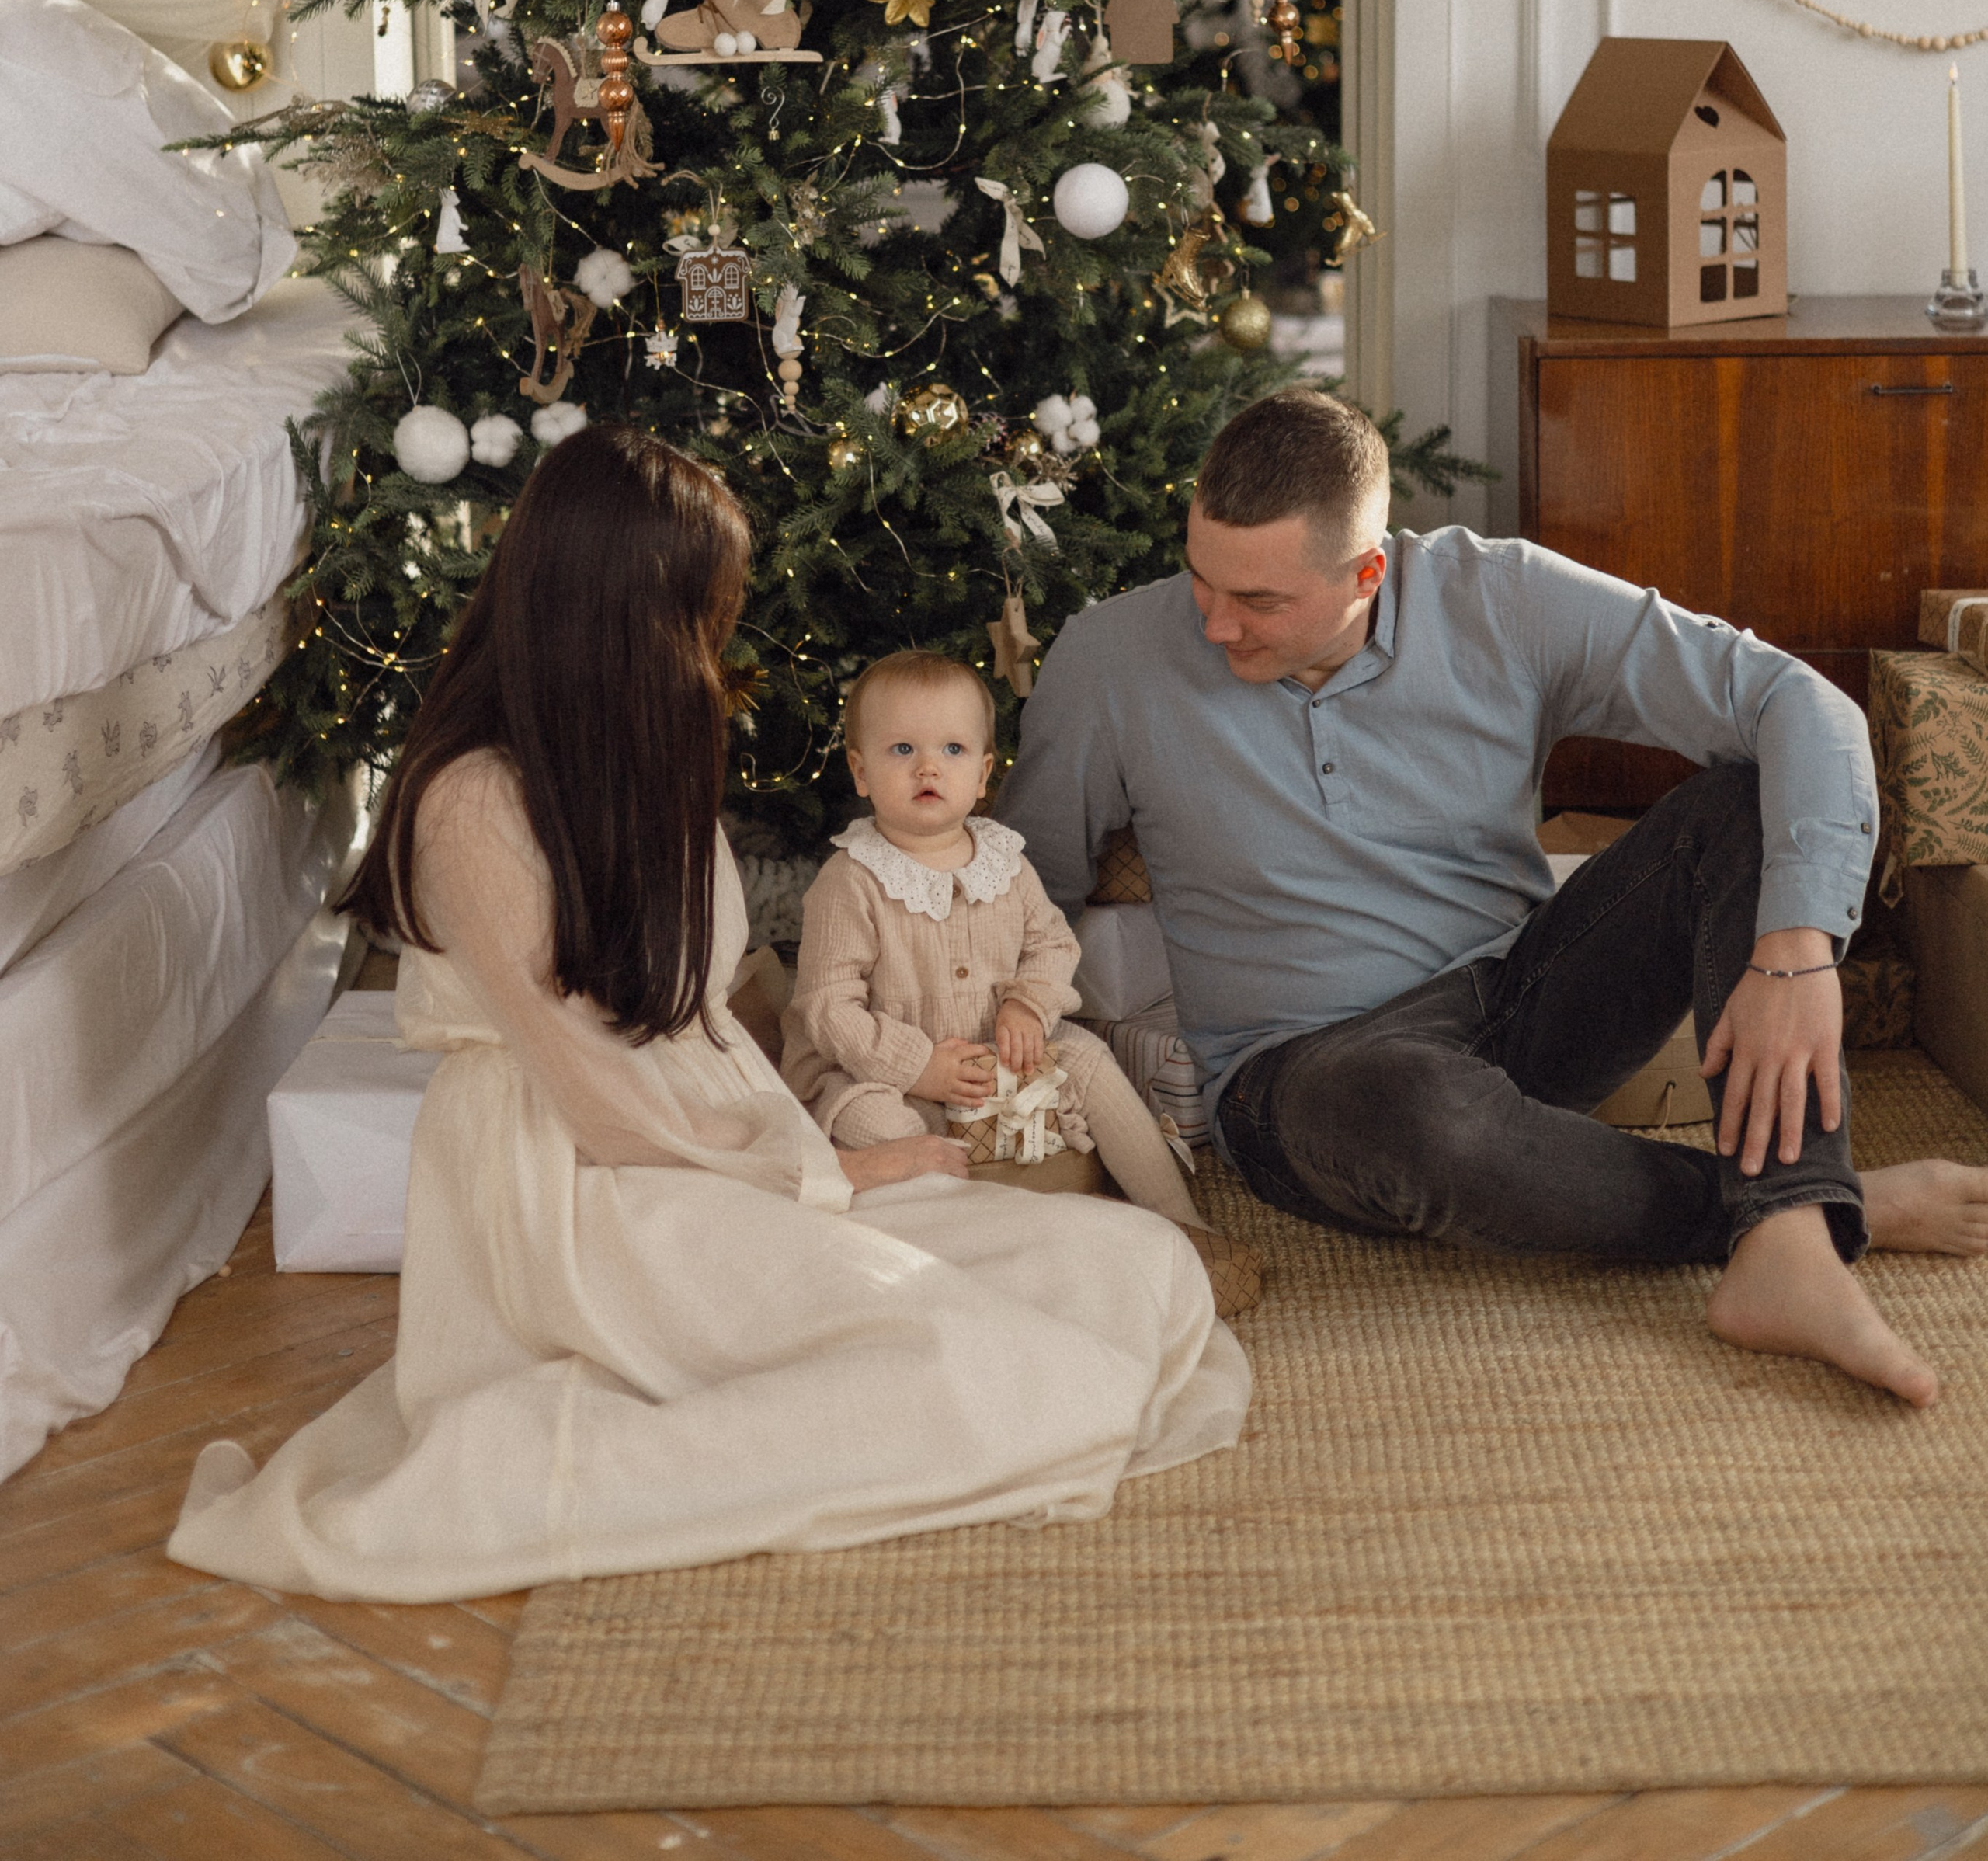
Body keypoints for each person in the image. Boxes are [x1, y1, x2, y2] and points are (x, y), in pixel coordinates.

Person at [167, 426, 1249, 1602]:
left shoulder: (639, 745)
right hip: (589, 1187)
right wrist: (834, 1180)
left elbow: (705, 1006)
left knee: (1127, 1274)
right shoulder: (473, 802)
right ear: (625, 610)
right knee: (970, 1366)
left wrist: (809, 1143)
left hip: (721, 1148)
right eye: (703, 608)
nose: (718, 640)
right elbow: (591, 1091)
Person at [1001, 385, 1988, 1409]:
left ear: (1368, 572)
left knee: (1744, 798)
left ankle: (1786, 1237)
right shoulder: (1109, 657)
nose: (1214, 624)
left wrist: (1798, 948)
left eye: (1260, 602)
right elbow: (1021, 894)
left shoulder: (1498, 597)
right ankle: (1810, 1215)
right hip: (1306, 1085)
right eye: (1203, 578)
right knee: (1424, 1114)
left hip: (1520, 1001)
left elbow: (1795, 700)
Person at [783, 649, 1260, 1314]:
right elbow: (829, 1009)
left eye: (951, 749)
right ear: (861, 772)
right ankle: (992, 1246)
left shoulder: (1004, 861)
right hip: (883, 1071)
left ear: (982, 775)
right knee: (868, 1118)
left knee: (1091, 1058)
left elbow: (1050, 944)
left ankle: (1180, 1225)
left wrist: (1029, 1009)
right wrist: (918, 1067)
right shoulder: (852, 880)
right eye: (901, 749)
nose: (928, 767)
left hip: (1000, 1056)